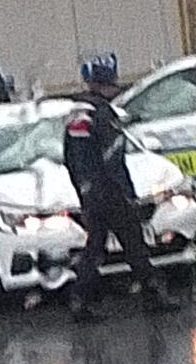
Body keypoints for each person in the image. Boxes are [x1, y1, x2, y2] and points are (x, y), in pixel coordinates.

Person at [64, 54, 178, 320]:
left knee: (104, 245)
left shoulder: (87, 112)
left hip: (98, 191)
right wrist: (116, 191)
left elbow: (85, 158)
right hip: (107, 191)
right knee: (128, 242)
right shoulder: (94, 114)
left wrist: (89, 188)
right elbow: (98, 158)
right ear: (104, 82)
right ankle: (150, 295)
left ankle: (82, 299)